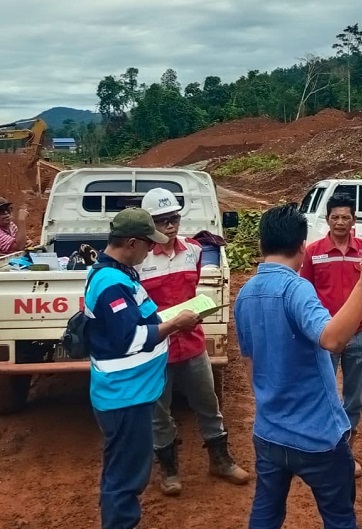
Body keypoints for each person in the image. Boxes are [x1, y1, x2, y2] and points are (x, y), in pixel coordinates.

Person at [234, 204, 362, 529]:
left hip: (268, 434)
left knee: (265, 514)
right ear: (302, 247)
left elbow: (250, 363)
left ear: (261, 245)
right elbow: (331, 339)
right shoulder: (296, 288)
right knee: (339, 517)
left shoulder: (245, 294)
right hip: (318, 437)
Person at [85, 208, 201, 529]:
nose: (152, 250)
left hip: (130, 393)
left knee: (122, 469)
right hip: (124, 396)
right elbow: (130, 337)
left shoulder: (121, 273)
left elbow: (141, 320)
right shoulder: (111, 282)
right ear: (132, 243)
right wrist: (176, 324)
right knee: (125, 477)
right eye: (149, 245)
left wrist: (171, 320)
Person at [138, 188, 249, 496]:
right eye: (161, 221)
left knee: (208, 404)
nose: (170, 226)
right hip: (158, 348)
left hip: (192, 344)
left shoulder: (193, 251)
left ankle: (220, 460)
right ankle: (170, 470)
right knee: (160, 412)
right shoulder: (139, 260)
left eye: (173, 218)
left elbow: (201, 293)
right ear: (150, 224)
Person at [301, 193, 362, 478]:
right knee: (323, 393)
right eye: (335, 217)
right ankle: (324, 446)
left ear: (354, 220)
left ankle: (346, 450)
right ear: (327, 220)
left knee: (355, 398)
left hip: (361, 334)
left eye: (345, 217)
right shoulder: (313, 252)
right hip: (325, 334)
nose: (340, 222)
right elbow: (304, 293)